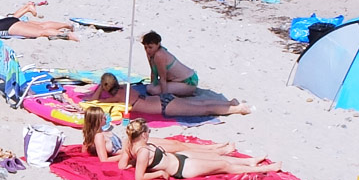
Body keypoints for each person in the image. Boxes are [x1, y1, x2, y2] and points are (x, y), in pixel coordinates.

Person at [123, 119, 281, 180]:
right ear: (143, 134)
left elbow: (124, 165)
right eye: (148, 133)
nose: (150, 135)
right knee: (223, 165)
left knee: (216, 158)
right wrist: (159, 173)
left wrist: (130, 163)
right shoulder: (142, 151)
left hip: (178, 159)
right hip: (181, 168)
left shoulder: (131, 145)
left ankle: (249, 162)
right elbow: (139, 177)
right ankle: (266, 168)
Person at [81, 109, 256, 166]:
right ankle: (219, 152)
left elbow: (84, 148)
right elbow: (104, 161)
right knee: (178, 150)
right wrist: (126, 155)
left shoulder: (100, 132)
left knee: (176, 143)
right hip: (131, 149)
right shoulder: (98, 136)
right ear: (97, 120)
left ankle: (213, 149)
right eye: (103, 116)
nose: (106, 117)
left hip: (131, 144)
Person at [83, 73, 252, 118]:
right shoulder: (126, 88)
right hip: (163, 100)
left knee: (204, 110)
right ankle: (229, 102)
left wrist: (99, 87)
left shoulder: (118, 97)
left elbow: (93, 101)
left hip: (164, 107)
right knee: (198, 104)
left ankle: (237, 109)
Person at [142, 32, 198, 97]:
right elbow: (153, 73)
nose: (147, 50)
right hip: (176, 80)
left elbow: (163, 78)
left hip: (188, 82)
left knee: (153, 90)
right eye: (145, 47)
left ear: (158, 44)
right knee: (150, 88)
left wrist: (164, 96)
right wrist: (153, 85)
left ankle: (187, 91)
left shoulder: (160, 55)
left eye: (150, 47)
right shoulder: (151, 54)